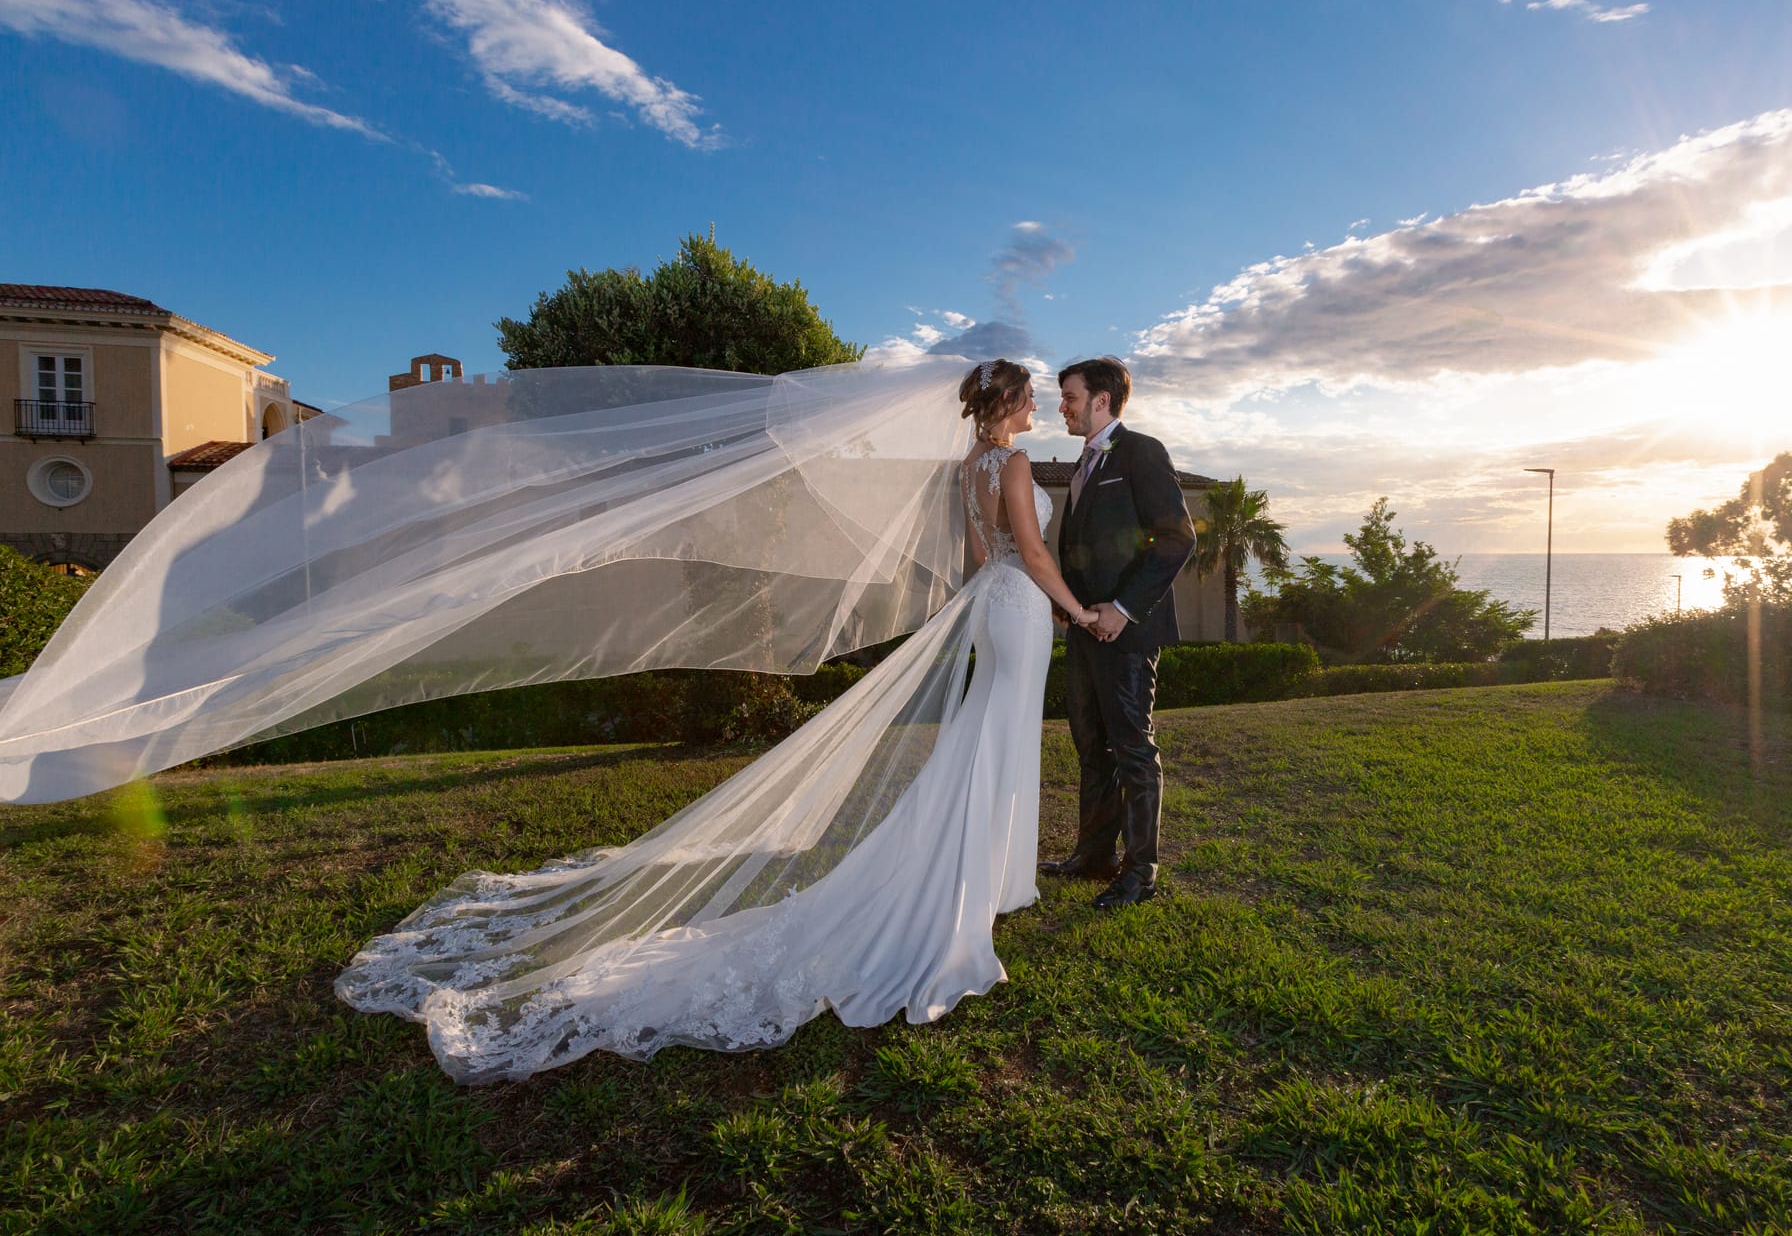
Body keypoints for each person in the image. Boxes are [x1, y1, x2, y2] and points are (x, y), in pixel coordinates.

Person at [329, 359, 1098, 1081]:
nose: (1038, 408)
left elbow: (978, 553)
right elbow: (1031, 553)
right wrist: (1075, 611)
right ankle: (989, 883)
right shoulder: (1018, 465)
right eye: (1031, 397)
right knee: (999, 739)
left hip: (993, 609)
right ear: (1007, 405)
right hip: (1025, 608)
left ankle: (997, 878)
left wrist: (999, 603)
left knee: (984, 738)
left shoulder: (968, 470)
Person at [1039, 356, 1197, 909]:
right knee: (1089, 744)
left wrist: (1124, 609)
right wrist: (1072, 605)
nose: (1062, 406)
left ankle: (1140, 872)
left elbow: (1177, 539)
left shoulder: (1140, 452)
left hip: (1127, 633)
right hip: (1083, 629)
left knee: (1133, 748)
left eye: (1070, 397)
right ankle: (1094, 853)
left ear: (1101, 400)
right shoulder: (1085, 460)